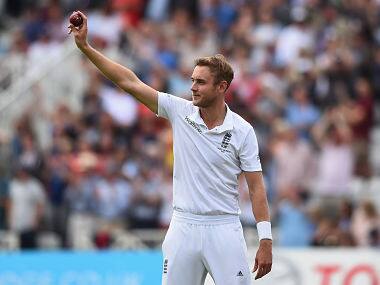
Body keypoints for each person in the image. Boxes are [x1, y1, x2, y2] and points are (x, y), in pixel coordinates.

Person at [68, 11, 272, 284]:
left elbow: (256, 187)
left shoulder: (242, 130)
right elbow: (129, 82)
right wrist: (85, 47)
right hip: (183, 225)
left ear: (222, 86)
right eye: (192, 81)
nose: (193, 88)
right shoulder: (179, 111)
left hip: (224, 227)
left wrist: (265, 239)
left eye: (200, 82)